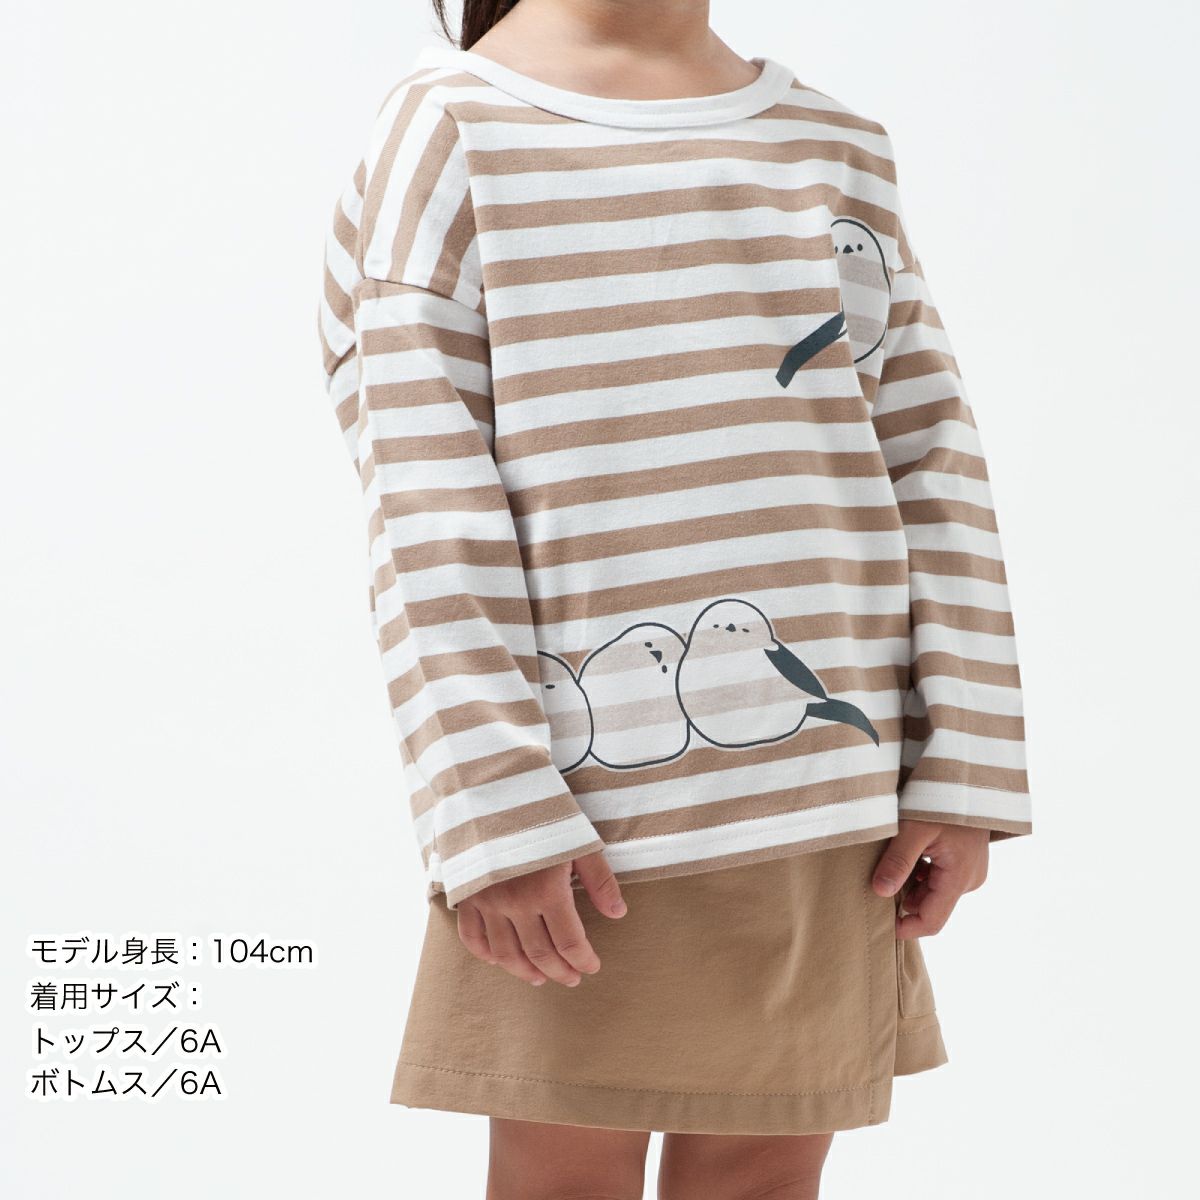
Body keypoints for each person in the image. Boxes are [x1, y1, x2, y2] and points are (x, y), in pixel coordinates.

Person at [316, 1, 1031, 1195]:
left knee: (765, 1178)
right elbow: (425, 504)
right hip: (574, 826)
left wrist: (963, 766)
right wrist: (493, 808)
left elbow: (931, 463)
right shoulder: (451, 132)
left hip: (827, 808)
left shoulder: (832, 143)